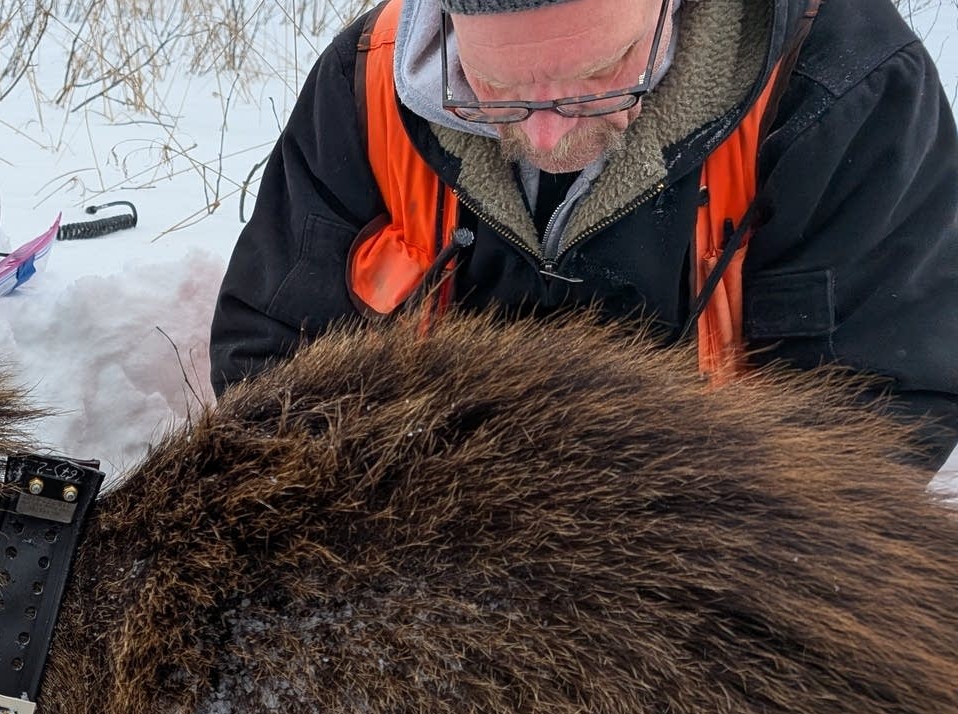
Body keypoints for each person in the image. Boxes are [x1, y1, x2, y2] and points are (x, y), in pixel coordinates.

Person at [211, 0, 958, 470]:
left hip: (701, 585)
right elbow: (273, 355)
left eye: (600, 75)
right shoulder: (367, 82)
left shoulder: (844, 86)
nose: (542, 133)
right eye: (493, 89)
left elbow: (876, 425)